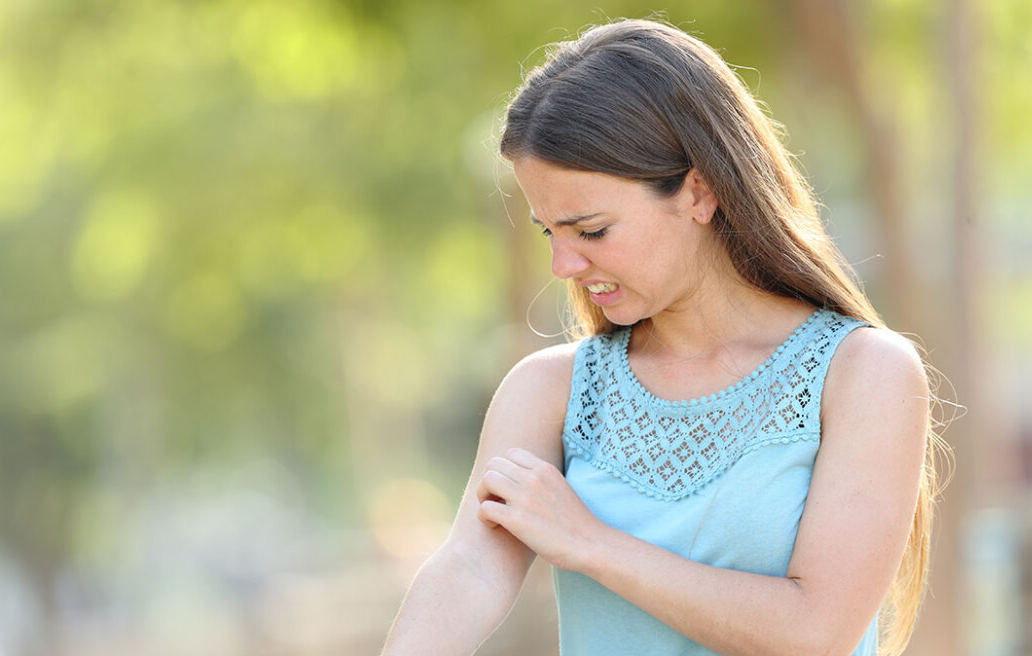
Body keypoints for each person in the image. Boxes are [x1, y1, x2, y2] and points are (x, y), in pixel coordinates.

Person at [380, 18, 943, 656]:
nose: (563, 265)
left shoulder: (864, 373)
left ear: (699, 192)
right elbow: (470, 568)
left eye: (591, 230)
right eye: (549, 232)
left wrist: (591, 543)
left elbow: (816, 632)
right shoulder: (549, 390)